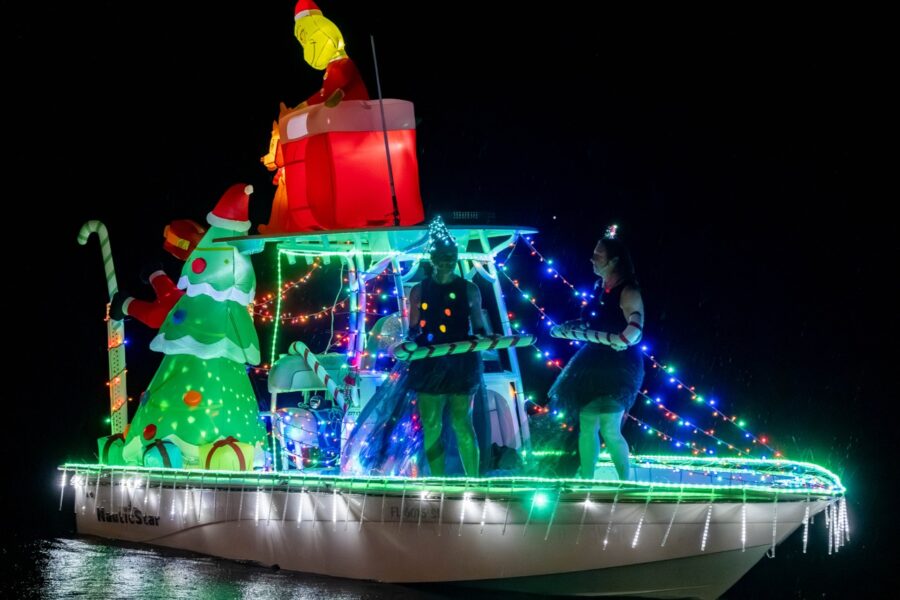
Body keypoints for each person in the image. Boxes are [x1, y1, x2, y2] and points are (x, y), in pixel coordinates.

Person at [547, 226, 645, 480]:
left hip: (619, 366)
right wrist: (571, 327)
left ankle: (626, 483)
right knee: (587, 425)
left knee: (611, 428)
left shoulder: (628, 291)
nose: (592, 259)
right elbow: (589, 322)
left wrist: (625, 337)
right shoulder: (599, 288)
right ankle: (586, 482)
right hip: (592, 364)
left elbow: (635, 323)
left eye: (598, 255)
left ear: (613, 261)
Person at [405, 227, 488, 476]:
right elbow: (412, 329)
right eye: (442, 254)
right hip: (429, 363)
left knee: (463, 422)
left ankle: (473, 481)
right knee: (431, 424)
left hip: (461, 363)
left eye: (452, 254)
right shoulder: (419, 291)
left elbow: (479, 326)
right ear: (432, 257)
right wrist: (408, 345)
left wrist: (486, 339)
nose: (448, 259)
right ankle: (439, 482)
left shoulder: (470, 289)